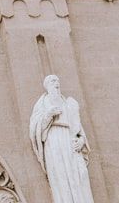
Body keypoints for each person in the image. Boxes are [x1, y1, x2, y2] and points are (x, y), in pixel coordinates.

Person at [29, 74, 94, 203]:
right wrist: (49, 115)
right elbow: (34, 126)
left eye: (57, 81)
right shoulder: (43, 102)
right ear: (47, 85)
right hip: (53, 139)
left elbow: (78, 127)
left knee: (80, 173)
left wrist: (81, 141)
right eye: (53, 81)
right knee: (60, 174)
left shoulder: (68, 102)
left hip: (70, 140)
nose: (56, 83)